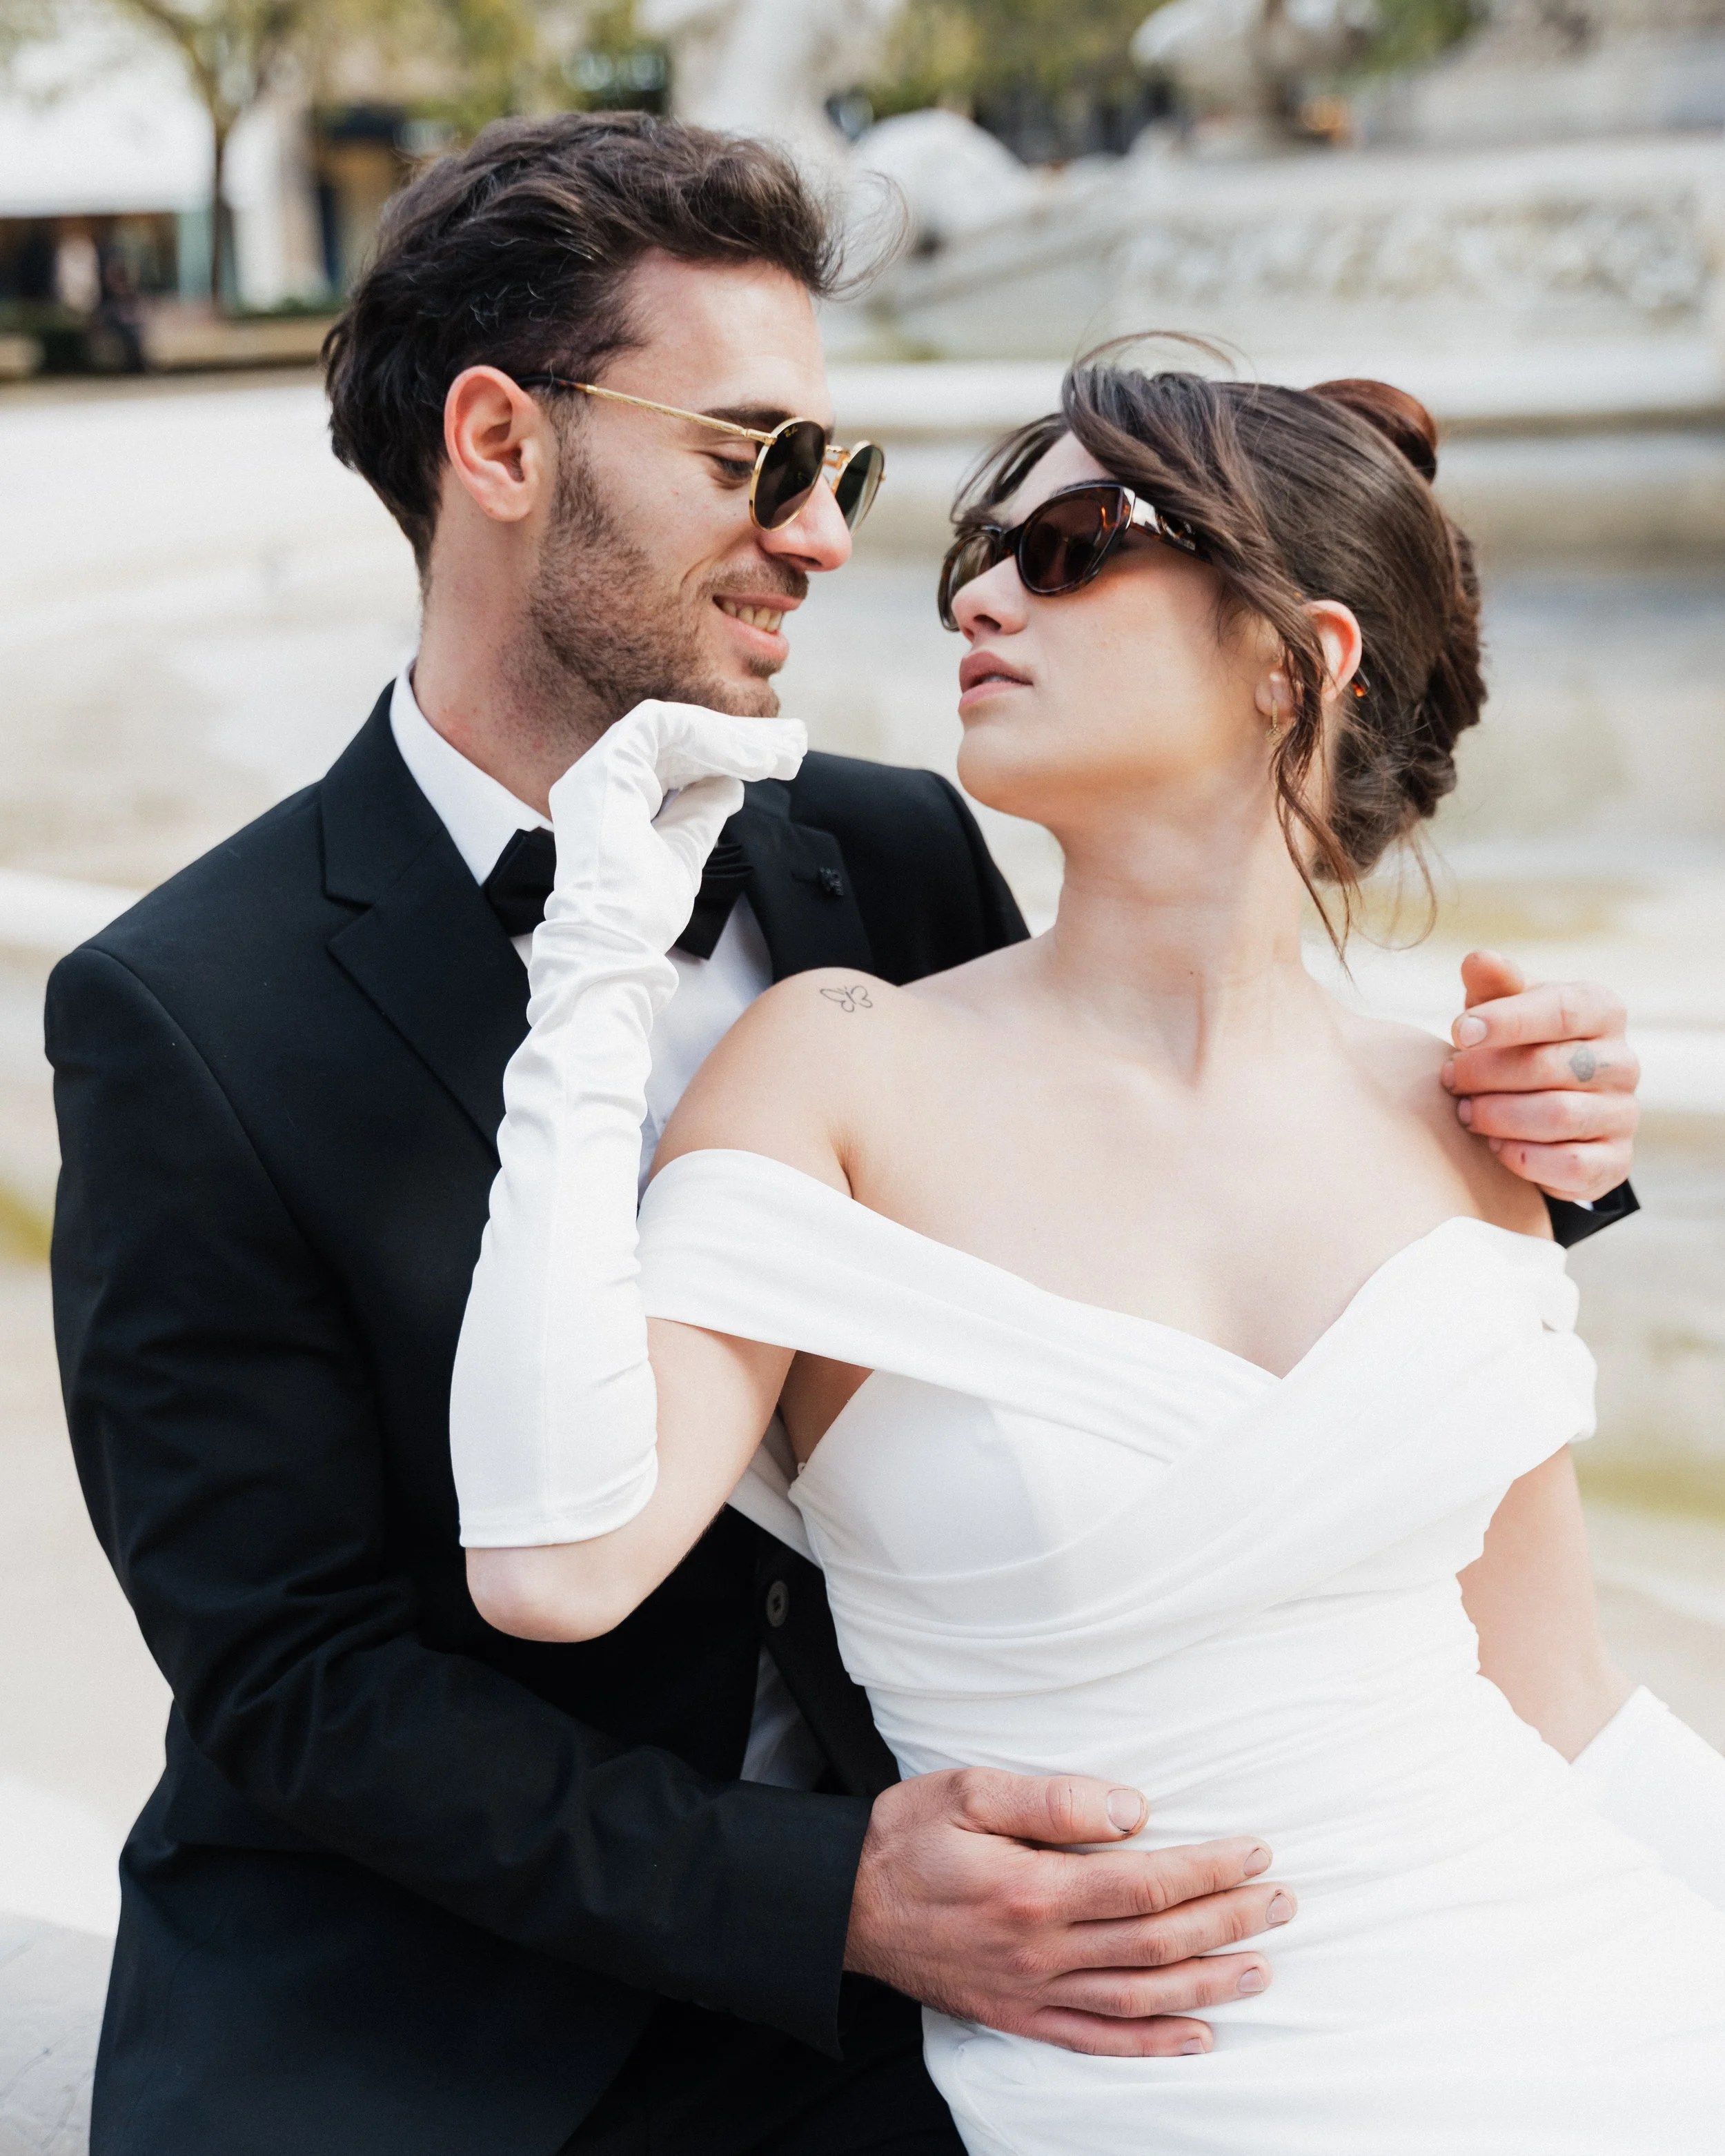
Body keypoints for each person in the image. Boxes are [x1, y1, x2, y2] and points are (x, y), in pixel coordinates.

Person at [48, 113, 1639, 2156]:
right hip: (458, 2013)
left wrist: (1517, 1149)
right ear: (502, 448)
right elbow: (294, 1681)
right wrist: (841, 1898)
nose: (825, 535)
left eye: (840, 472)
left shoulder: (887, 854)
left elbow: (1124, 1243)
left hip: (1022, 1966)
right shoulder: (191, 1007)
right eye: (752, 458)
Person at [451, 353, 1725, 2153]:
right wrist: (591, 953)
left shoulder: (1469, 1119)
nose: (974, 590)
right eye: (978, 546)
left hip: (1597, 1991)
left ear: (1297, 659)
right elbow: (550, 1558)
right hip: (1161, 2078)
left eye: (1065, 545)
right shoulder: (838, 1066)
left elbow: (1562, 1702)